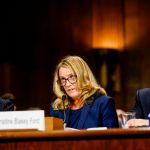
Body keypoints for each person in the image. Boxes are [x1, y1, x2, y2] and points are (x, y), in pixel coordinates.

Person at [49, 55, 119, 129]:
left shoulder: (103, 103)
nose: (68, 84)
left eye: (72, 77)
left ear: (84, 76)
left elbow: (113, 139)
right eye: (63, 79)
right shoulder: (58, 107)